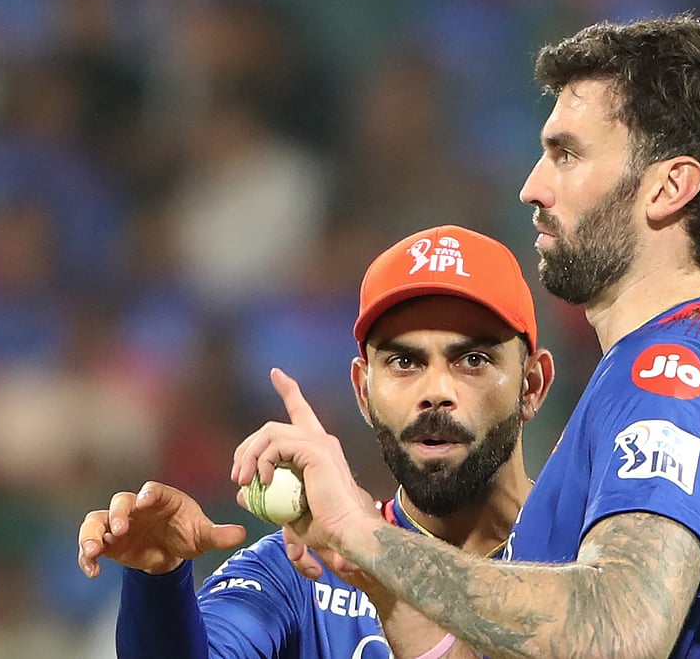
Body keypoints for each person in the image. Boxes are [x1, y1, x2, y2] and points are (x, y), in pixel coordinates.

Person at [234, 13, 700, 658]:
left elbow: (619, 629)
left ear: (668, 187)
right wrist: (361, 559)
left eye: (567, 154)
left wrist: (367, 536)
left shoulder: (668, 371)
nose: (532, 187)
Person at [77, 224, 556, 658]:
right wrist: (159, 582)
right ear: (363, 393)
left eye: (472, 360)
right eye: (404, 362)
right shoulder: (301, 570)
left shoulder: (588, 557)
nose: (435, 392)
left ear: (531, 385)